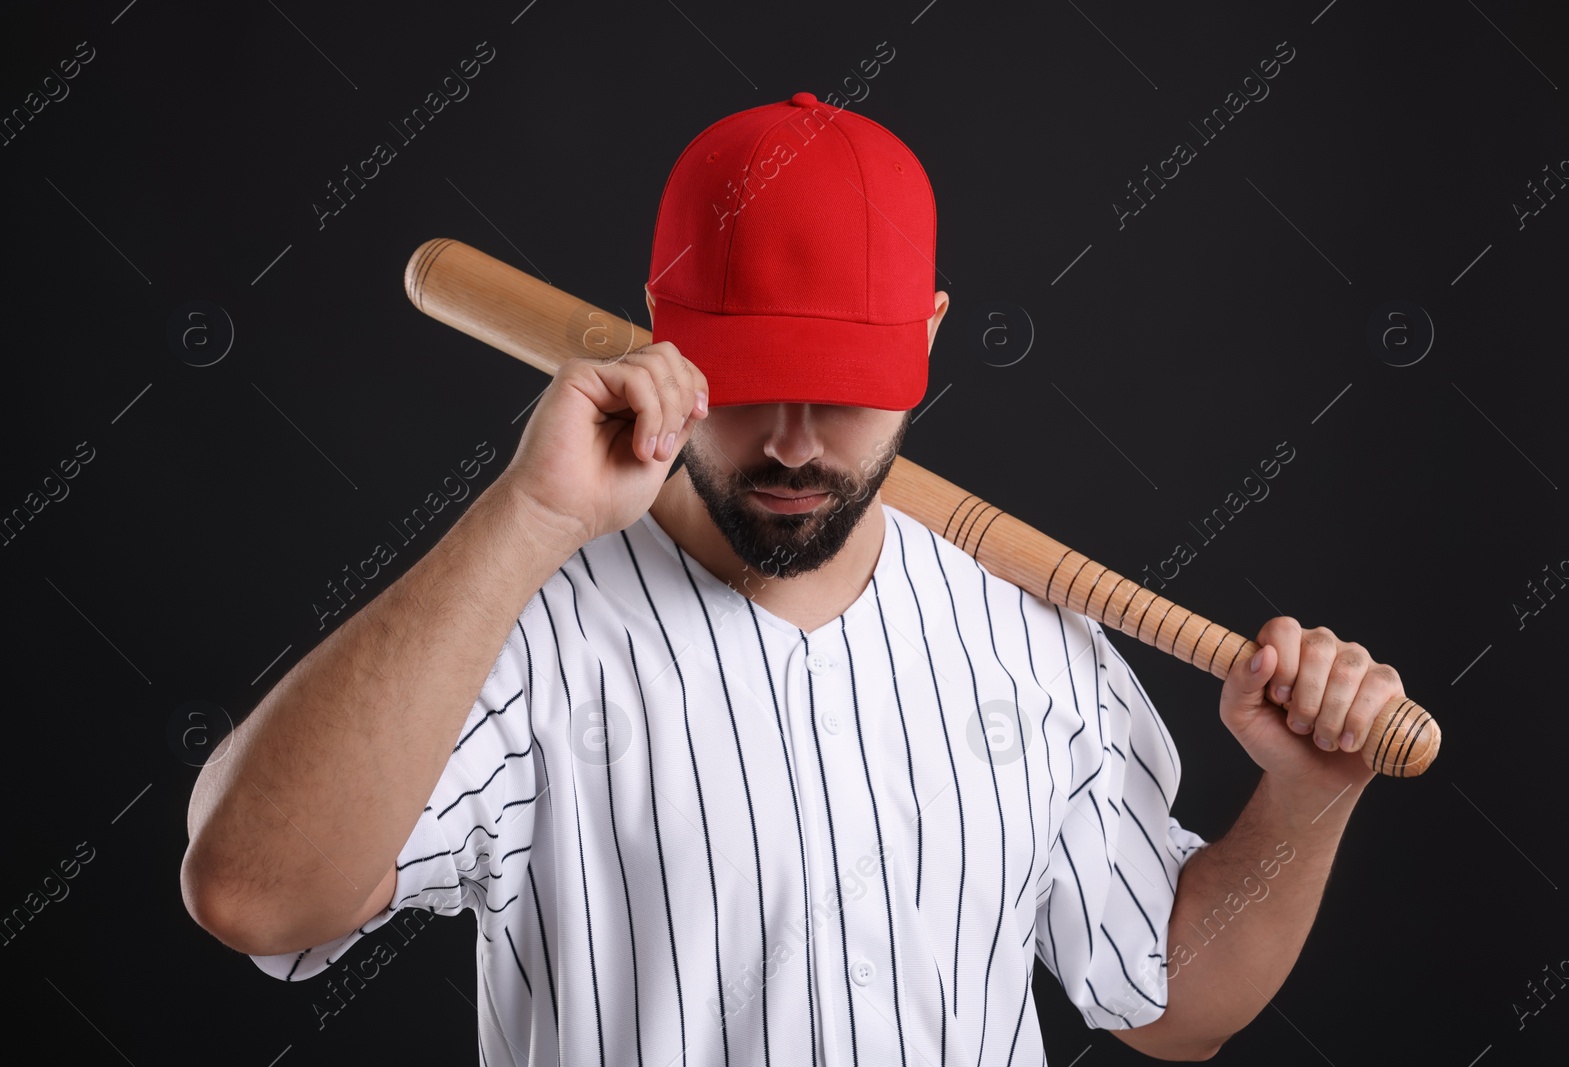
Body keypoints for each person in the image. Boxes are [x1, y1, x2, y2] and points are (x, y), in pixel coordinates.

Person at [181, 91, 1405, 1065]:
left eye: (846, 379)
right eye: (753, 371)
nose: (795, 440)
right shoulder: (523, 625)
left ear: (926, 337)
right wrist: (528, 512)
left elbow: (1169, 1007)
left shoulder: (1036, 641)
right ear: (658, 332)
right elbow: (252, 894)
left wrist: (1306, 796)